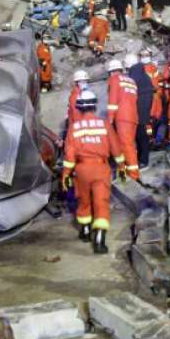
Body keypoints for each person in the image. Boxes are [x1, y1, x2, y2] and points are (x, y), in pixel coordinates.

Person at [61, 90, 125, 254]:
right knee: (101, 202)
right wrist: (122, 166)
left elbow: (69, 154)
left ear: (79, 107)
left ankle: (86, 231)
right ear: (95, 106)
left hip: (82, 170)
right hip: (101, 169)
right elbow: (115, 147)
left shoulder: (74, 127)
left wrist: (66, 174)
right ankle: (99, 240)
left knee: (84, 201)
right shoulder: (104, 124)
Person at [106, 58, 140, 180]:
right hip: (133, 117)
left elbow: (113, 101)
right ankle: (124, 170)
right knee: (126, 144)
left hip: (122, 117)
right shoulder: (131, 81)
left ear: (110, 72)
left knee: (126, 146)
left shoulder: (114, 80)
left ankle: (133, 175)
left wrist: (110, 119)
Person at [125, 52, 154, 168]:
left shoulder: (135, 74)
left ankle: (143, 160)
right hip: (143, 109)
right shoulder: (141, 73)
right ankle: (142, 158)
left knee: (141, 135)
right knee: (141, 135)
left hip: (140, 110)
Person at [140, 49, 164, 142]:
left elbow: (160, 80)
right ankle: (150, 138)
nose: (145, 57)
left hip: (156, 98)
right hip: (147, 98)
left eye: (147, 55)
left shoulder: (154, 68)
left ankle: (154, 138)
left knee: (156, 118)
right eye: (143, 55)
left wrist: (160, 92)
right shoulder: (140, 69)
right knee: (148, 120)